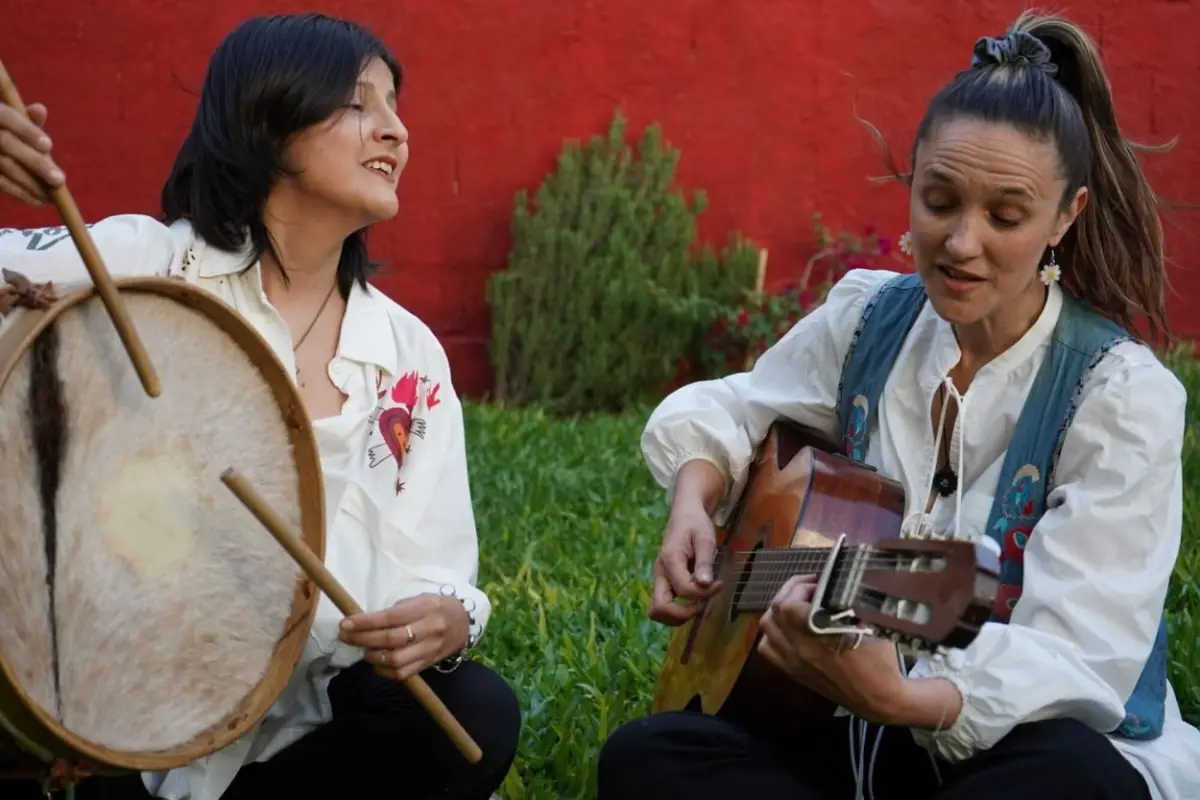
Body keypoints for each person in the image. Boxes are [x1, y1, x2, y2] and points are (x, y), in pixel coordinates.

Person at [596, 11, 1200, 800]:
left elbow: (1081, 649)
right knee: (650, 758)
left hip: (1011, 747)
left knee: (1068, 780)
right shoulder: (867, 319)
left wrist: (902, 699)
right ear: (911, 179)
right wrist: (694, 497)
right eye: (939, 200)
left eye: (1006, 216)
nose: (960, 242)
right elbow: (736, 409)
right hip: (843, 731)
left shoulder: (1118, 395)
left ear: (1066, 216)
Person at [0, 13, 519, 800]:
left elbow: (439, 566)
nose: (396, 132)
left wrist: (445, 619)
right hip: (112, 710)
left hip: (297, 723)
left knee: (473, 714)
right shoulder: (149, 267)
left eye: (396, 105)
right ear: (267, 122)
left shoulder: (408, 357)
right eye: (359, 103)